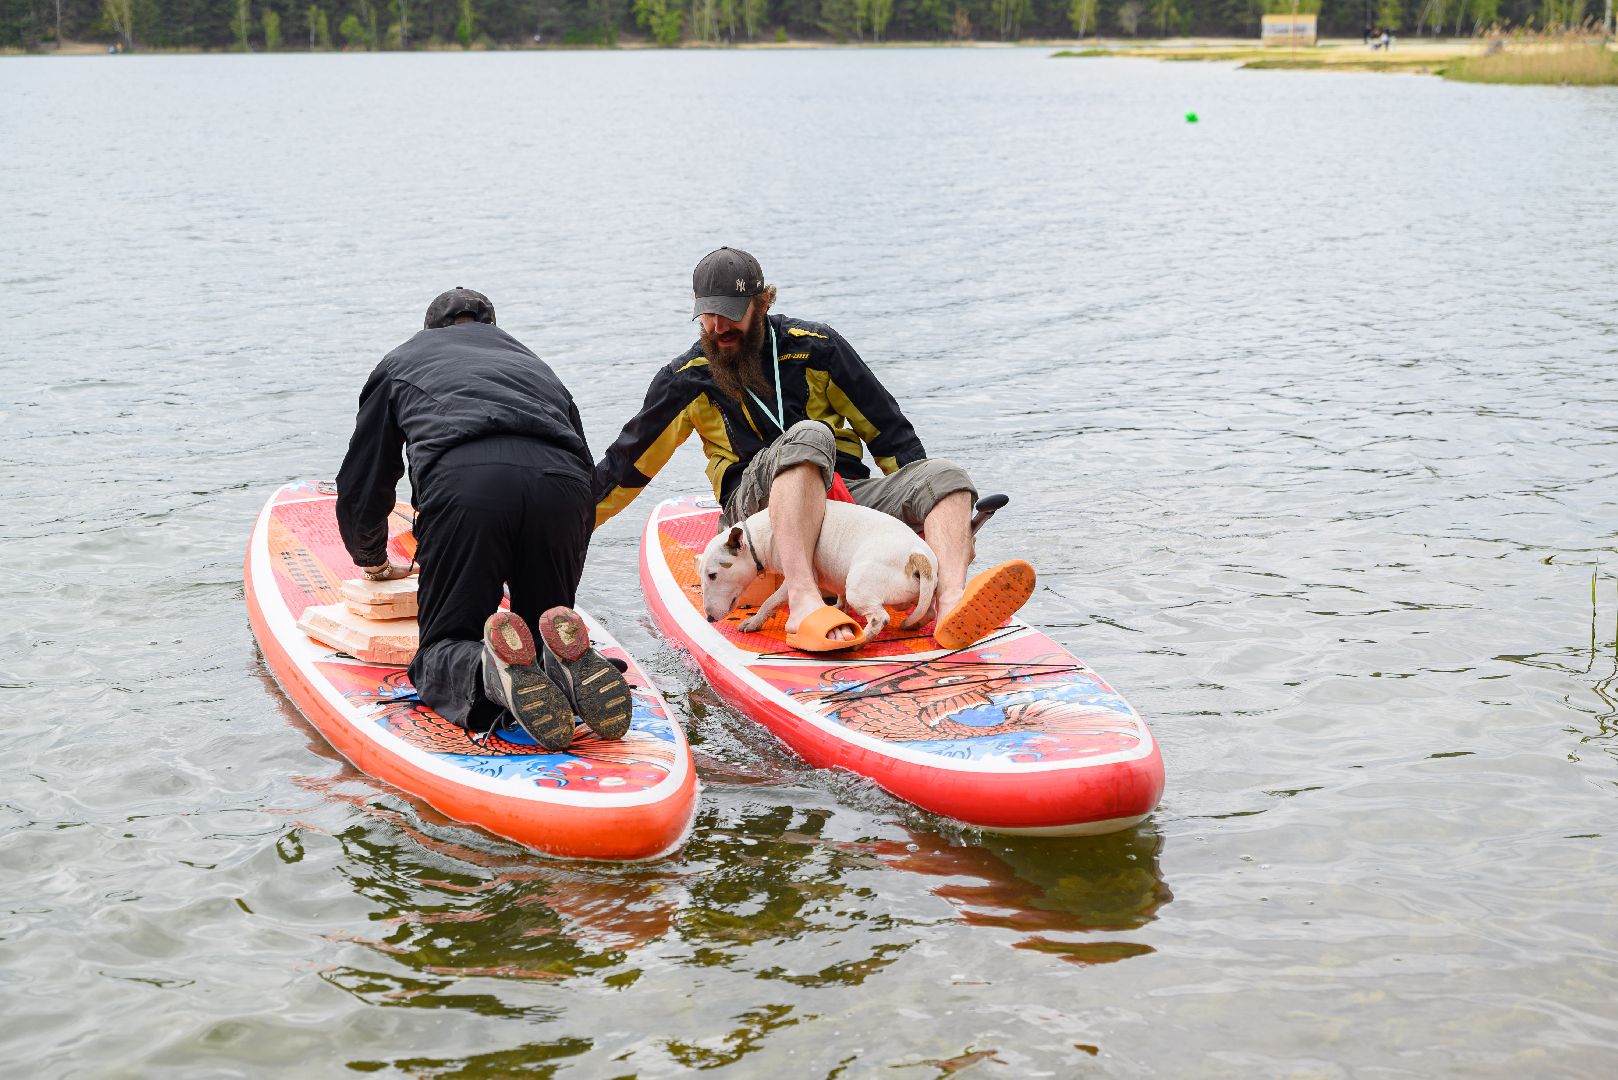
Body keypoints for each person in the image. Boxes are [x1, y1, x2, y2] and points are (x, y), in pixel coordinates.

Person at [594, 247, 1034, 652]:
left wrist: (923, 514)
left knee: (946, 477)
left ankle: (950, 600)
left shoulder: (817, 348)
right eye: (707, 315)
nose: (718, 327)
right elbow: (625, 468)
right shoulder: (686, 378)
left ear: (763, 301)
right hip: (755, 519)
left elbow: (890, 435)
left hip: (843, 504)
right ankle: (804, 600)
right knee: (809, 436)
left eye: (729, 314)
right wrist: (558, 530)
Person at [335, 287, 632, 750]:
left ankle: (487, 672)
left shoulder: (400, 362)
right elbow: (582, 460)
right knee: (542, 628)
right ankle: (563, 662)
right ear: (492, 325)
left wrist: (371, 557)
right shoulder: (533, 364)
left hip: (469, 485)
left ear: (429, 328)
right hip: (564, 489)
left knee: (445, 642)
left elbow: (366, 480)